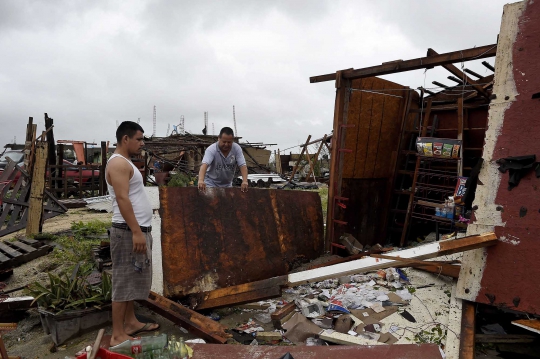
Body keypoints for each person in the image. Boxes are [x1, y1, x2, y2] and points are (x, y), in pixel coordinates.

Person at [106, 121, 159, 348]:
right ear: (125, 139)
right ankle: (117, 334)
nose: (142, 143)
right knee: (122, 281)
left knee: (131, 280)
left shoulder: (126, 162)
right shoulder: (118, 163)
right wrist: (137, 232)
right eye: (139, 139)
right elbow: (122, 199)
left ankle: (130, 322)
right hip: (127, 231)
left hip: (135, 230)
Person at [198, 127, 248, 192]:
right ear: (218, 138)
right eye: (224, 142)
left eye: (229, 142)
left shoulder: (236, 149)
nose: (226, 144)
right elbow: (204, 165)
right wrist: (201, 180)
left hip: (227, 185)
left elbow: (242, 165)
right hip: (211, 183)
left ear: (233, 140)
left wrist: (245, 181)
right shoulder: (211, 150)